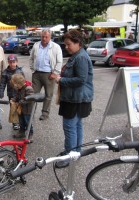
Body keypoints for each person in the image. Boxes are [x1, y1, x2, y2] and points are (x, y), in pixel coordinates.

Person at [54, 29, 94, 168]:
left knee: (70, 127)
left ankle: (69, 156)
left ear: (78, 43)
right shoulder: (77, 55)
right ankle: (76, 152)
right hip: (75, 98)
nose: (66, 47)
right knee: (76, 126)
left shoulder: (81, 57)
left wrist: (61, 80)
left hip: (75, 99)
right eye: (65, 44)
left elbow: (81, 80)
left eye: (68, 44)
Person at [29, 29, 63, 120]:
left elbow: (59, 62)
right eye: (42, 36)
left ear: (50, 37)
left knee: (48, 95)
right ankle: (30, 113)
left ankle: (45, 113)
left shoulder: (56, 47)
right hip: (36, 73)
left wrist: (55, 73)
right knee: (33, 94)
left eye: (46, 37)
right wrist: (32, 69)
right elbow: (31, 58)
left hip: (49, 74)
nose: (44, 38)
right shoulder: (36, 45)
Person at [0, 54, 25, 130]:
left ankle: (21, 122)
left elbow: (24, 82)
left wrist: (25, 91)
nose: (12, 64)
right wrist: (1, 92)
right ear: (8, 62)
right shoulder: (5, 72)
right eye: (10, 62)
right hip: (11, 94)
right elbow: (2, 83)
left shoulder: (20, 71)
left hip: (20, 93)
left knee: (20, 107)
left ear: (17, 62)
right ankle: (15, 123)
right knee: (13, 108)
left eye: (14, 62)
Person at [10, 74, 34, 141]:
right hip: (21, 109)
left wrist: (19, 102)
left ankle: (30, 134)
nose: (15, 87)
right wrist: (14, 99)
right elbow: (17, 95)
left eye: (16, 85)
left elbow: (29, 99)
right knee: (21, 121)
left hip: (27, 110)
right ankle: (22, 132)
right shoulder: (19, 88)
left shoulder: (28, 88)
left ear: (19, 83)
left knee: (27, 122)